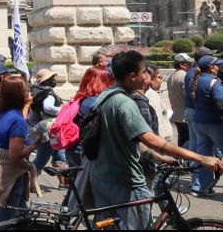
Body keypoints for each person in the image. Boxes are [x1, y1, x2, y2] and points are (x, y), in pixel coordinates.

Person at [90, 51, 223, 229]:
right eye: (144, 72)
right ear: (132, 76)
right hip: (126, 181)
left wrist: (158, 157)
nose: (147, 77)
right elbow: (153, 141)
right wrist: (201, 158)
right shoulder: (126, 103)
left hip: (102, 177)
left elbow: (128, 139)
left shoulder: (107, 94)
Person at [0, 75, 39, 223]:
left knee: (24, 218)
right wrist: (35, 145)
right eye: (26, 90)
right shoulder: (17, 120)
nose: (29, 93)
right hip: (9, 178)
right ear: (18, 94)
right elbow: (15, 155)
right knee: (5, 223)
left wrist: (27, 106)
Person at [65, 66, 113, 167]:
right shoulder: (96, 103)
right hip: (86, 152)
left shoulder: (79, 99)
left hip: (72, 148)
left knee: (76, 181)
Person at [189, 55, 223, 196]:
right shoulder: (214, 82)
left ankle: (199, 187)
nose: (218, 67)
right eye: (216, 65)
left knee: (203, 156)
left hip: (198, 122)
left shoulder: (195, 80)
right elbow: (221, 103)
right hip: (214, 123)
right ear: (210, 68)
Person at [28, 69, 67, 186]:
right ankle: (28, 182)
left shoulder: (37, 91)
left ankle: (64, 182)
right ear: (47, 81)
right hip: (50, 130)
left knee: (58, 156)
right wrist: (64, 110)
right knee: (42, 159)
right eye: (52, 78)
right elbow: (48, 108)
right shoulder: (48, 94)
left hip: (46, 130)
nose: (54, 80)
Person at [167, 53, 193, 148]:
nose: (190, 65)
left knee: (182, 139)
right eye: (188, 63)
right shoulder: (185, 76)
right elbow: (188, 95)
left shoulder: (172, 76)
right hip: (185, 116)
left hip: (177, 115)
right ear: (182, 64)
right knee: (190, 141)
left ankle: (181, 160)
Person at [145, 65, 173, 141]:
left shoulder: (148, 93)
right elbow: (158, 122)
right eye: (159, 77)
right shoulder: (151, 95)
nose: (161, 81)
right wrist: (161, 143)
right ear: (150, 78)